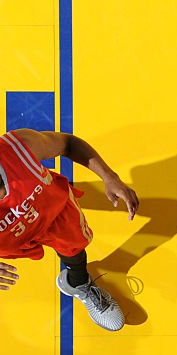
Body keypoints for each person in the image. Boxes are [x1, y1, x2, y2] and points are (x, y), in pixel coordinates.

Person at [0, 129, 138, 330]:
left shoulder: (19, 148)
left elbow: (68, 144)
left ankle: (79, 282)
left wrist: (110, 177)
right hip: (11, 238)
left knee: (74, 247)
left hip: (53, 212)